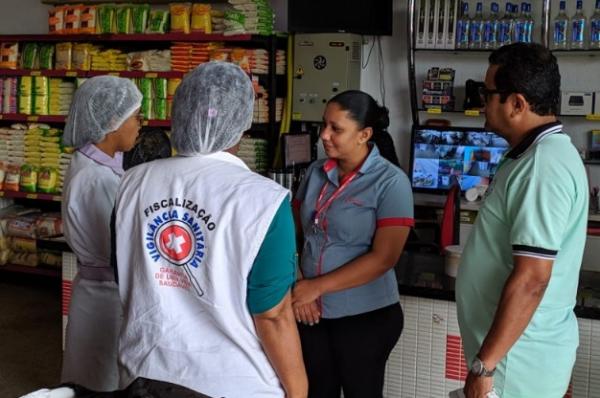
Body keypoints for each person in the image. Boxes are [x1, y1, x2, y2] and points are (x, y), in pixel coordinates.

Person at [114, 61, 308, 398]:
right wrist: (298, 390)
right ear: (242, 123)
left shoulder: (132, 182)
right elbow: (274, 315)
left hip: (145, 373)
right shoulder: (265, 201)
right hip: (233, 383)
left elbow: (124, 271)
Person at [456, 43, 589, 398]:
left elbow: (532, 279)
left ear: (517, 104)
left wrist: (485, 365)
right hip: (522, 358)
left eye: (488, 94)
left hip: (515, 364)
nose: (481, 103)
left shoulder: (542, 166)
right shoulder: (532, 156)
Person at [292, 90, 414, 398]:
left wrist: (316, 287)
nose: (324, 135)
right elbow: (294, 233)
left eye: (336, 128)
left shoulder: (391, 182)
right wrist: (299, 282)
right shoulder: (315, 172)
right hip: (311, 312)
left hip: (364, 318)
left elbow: (384, 257)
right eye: (324, 125)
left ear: (365, 134)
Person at [61, 76, 143, 391]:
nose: (139, 125)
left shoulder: (98, 166)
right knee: (99, 382)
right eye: (136, 117)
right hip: (104, 297)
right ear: (113, 122)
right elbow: (116, 245)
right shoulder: (96, 179)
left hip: (100, 293)